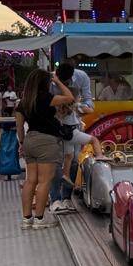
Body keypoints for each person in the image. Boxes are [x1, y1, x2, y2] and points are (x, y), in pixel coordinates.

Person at [17, 68, 73, 229]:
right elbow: (70, 98)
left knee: (30, 180)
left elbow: (19, 126)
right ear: (44, 83)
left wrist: (22, 143)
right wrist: (58, 81)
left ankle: (27, 219)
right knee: (44, 181)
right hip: (46, 141)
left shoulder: (23, 102)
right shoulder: (46, 98)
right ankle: (40, 219)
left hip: (29, 140)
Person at [48, 59, 94, 213]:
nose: (65, 84)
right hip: (55, 127)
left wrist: (81, 108)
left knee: (74, 160)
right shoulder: (50, 82)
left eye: (67, 82)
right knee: (56, 161)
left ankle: (67, 198)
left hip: (73, 126)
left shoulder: (82, 77)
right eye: (61, 81)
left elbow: (89, 102)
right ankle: (55, 199)